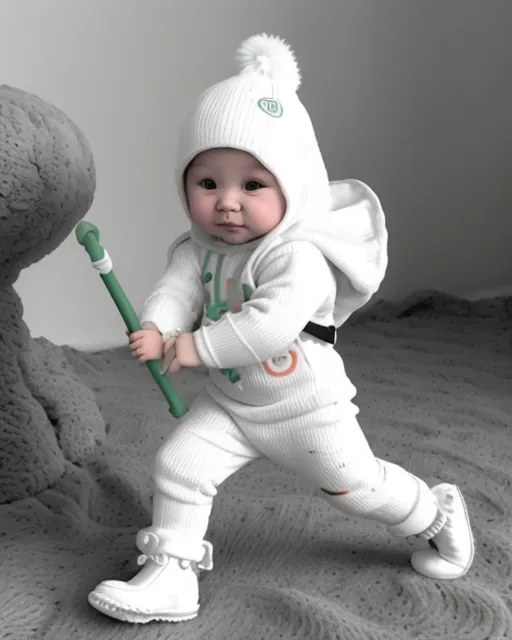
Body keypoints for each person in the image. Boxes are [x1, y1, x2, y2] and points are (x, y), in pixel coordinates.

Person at [88, 33, 474, 624]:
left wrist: (190, 346)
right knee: (180, 465)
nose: (228, 204)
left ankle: (437, 512)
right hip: (234, 402)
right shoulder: (199, 248)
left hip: (303, 405)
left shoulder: (295, 256)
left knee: (355, 488)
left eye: (253, 185)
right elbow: (178, 289)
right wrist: (155, 324)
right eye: (208, 183)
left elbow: (269, 326)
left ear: (291, 186)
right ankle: (172, 577)